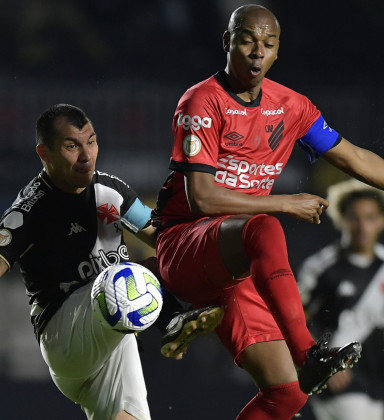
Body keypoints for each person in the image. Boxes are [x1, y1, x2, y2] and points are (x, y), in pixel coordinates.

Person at [148, 4, 384, 419]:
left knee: (287, 395)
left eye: (268, 44)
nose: (257, 52)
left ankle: (303, 365)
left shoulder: (291, 107)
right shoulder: (202, 101)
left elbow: (358, 159)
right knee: (265, 227)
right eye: (246, 40)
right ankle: (308, 352)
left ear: (277, 52)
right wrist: (285, 202)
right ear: (227, 42)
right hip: (185, 245)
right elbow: (201, 197)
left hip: (235, 265)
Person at [0, 104, 224, 420]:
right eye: (71, 146)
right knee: (128, 276)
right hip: (65, 335)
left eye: (91, 141)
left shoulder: (110, 190)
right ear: (44, 154)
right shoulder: (30, 210)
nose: (86, 155)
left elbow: (165, 237)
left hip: (113, 327)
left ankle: (172, 319)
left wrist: (218, 256)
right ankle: (172, 320)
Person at [297, 179, 384, 420]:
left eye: (370, 217)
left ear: (381, 220)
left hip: (378, 379)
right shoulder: (320, 267)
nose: (362, 226)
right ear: (341, 219)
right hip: (341, 381)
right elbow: (294, 319)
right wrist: (322, 360)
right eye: (354, 217)